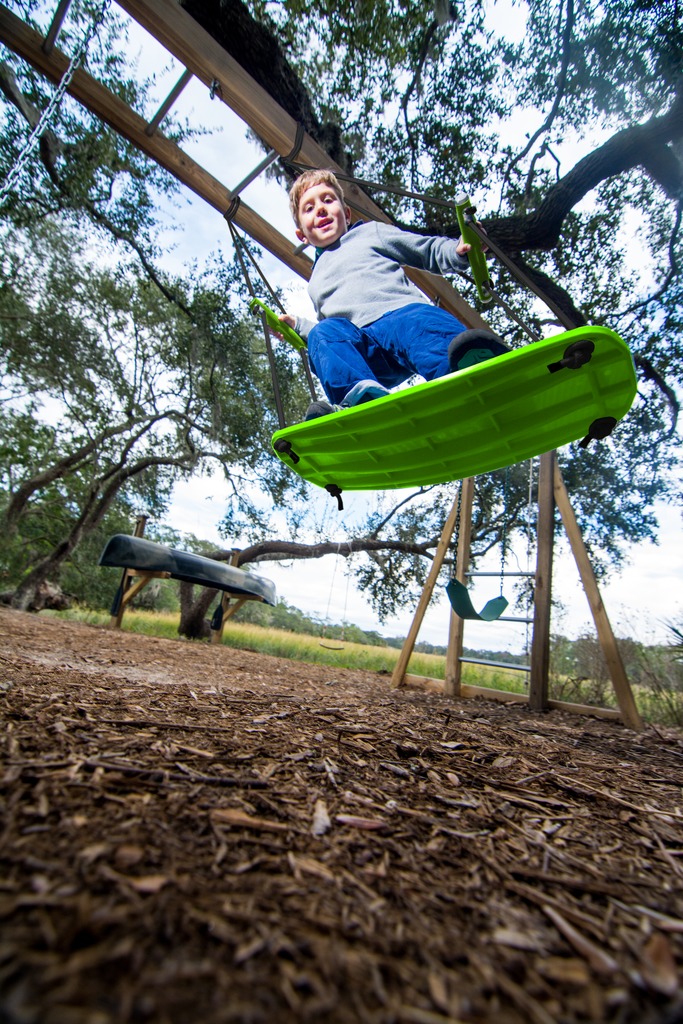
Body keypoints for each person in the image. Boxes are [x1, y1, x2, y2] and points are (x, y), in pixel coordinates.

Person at [278, 169, 508, 420]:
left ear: (346, 214)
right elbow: (333, 337)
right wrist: (300, 326)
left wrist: (457, 249)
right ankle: (361, 401)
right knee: (323, 334)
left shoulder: (369, 233)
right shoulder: (315, 282)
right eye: (309, 208)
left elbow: (423, 248)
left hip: (401, 318)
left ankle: (464, 369)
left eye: (328, 200)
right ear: (301, 234)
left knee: (422, 321)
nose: (320, 209)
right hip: (365, 350)